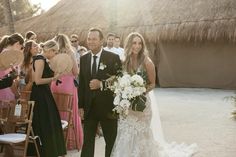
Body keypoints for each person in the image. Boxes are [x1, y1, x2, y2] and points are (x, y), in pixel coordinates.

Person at [111, 32, 197, 157]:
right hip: (126, 105)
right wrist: (123, 92)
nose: (137, 46)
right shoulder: (123, 61)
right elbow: (118, 80)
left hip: (142, 104)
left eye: (140, 43)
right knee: (126, 132)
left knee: (141, 134)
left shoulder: (147, 62)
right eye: (134, 43)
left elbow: (152, 84)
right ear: (129, 44)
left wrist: (139, 91)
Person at [78, 28, 122, 157]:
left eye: (94, 39)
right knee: (88, 142)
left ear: (101, 40)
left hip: (108, 107)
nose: (90, 42)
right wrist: (80, 106)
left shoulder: (113, 57)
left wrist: (101, 83)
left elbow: (119, 79)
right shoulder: (84, 58)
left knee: (111, 141)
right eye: (89, 39)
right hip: (89, 107)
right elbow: (82, 85)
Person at [28, 40, 66, 157]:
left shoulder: (41, 59)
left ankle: (49, 151)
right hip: (41, 94)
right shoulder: (40, 59)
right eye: (55, 52)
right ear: (50, 50)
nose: (55, 55)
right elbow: (37, 81)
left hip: (43, 93)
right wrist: (54, 78)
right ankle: (46, 152)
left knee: (48, 121)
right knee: (45, 121)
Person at [51, 34, 83, 150]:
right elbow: (76, 71)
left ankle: (58, 141)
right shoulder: (71, 52)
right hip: (68, 84)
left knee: (57, 111)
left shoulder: (53, 53)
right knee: (70, 111)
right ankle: (70, 142)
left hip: (55, 84)